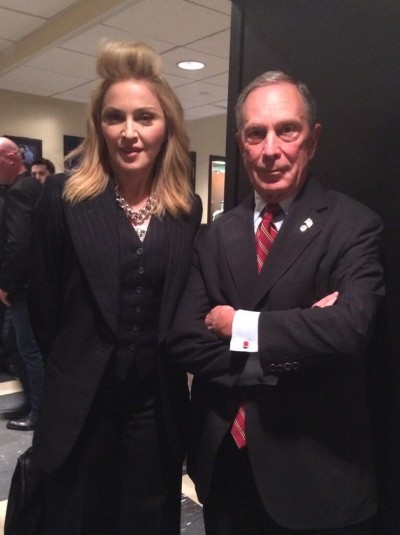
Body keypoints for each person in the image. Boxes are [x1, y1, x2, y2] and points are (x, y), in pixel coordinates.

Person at [169, 71, 384, 534]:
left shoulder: (353, 225)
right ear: (241, 142)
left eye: (287, 129)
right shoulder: (213, 234)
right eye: (255, 133)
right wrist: (300, 334)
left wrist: (241, 326)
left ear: (313, 139)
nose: (270, 149)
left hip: (316, 472)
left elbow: (350, 329)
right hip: (225, 463)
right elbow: (185, 339)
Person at [28, 41, 202, 535]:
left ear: (166, 125)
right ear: (97, 126)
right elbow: (42, 308)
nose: (129, 132)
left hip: (155, 408)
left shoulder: (184, 208)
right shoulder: (63, 199)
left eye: (144, 117)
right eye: (114, 117)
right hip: (80, 408)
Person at [0, 136, 44, 430]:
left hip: (23, 287)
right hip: (30, 284)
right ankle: (33, 402)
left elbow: (19, 244)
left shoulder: (19, 191)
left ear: (11, 158)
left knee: (28, 350)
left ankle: (39, 412)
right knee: (16, 345)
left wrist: (6, 285)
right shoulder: (30, 187)